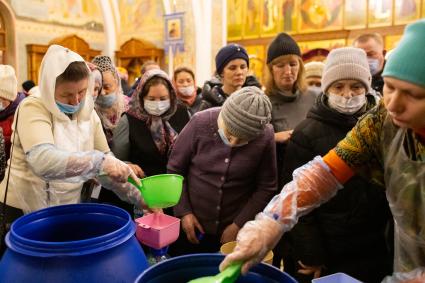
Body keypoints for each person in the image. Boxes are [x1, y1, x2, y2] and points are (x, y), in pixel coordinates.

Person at [220, 19, 425, 283]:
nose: (394, 103)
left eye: (413, 94)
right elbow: (325, 172)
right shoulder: (382, 120)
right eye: (390, 87)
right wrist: (270, 222)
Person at [0, 45, 144, 251]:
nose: (76, 100)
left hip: (67, 206)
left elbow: (106, 164)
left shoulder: (88, 113)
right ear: (50, 88)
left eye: (82, 92)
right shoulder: (33, 107)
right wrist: (97, 163)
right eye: (67, 95)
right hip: (23, 210)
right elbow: (43, 160)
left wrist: (138, 196)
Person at [280, 47, 391, 282]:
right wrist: (310, 252)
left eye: (356, 86)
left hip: (377, 248)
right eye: (338, 87)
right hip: (328, 250)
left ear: (367, 87)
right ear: (326, 88)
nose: (347, 94)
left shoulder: (384, 127)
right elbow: (297, 200)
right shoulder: (306, 133)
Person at [167, 86, 277, 256]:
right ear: (223, 118)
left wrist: (238, 224)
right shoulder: (200, 122)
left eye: (243, 140)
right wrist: (184, 212)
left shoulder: (266, 136)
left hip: (234, 230)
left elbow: (266, 186)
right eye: (230, 133)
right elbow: (175, 169)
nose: (233, 142)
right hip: (194, 225)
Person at [104, 69, 188, 216]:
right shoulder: (130, 120)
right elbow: (117, 160)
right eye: (152, 99)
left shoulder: (180, 113)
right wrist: (127, 165)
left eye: (163, 99)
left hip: (176, 194)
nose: (158, 104)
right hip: (143, 196)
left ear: (171, 97)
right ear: (141, 97)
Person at [199, 44, 261, 111]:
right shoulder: (209, 105)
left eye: (243, 67)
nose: (239, 72)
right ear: (221, 72)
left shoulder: (256, 100)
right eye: (232, 68)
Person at [91, 55, 129, 146]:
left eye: (107, 87)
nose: (102, 92)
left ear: (116, 83)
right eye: (97, 88)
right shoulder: (89, 111)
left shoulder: (129, 107)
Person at [0, 65, 26, 160]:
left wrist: (2, 140)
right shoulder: (4, 109)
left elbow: (22, 144)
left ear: (8, 97)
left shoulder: (24, 111)